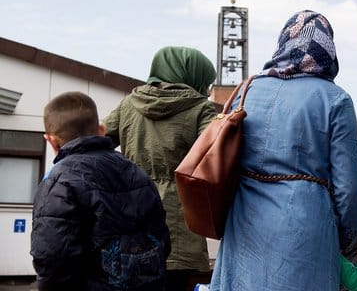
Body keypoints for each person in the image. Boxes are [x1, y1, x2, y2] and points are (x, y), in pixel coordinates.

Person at [209, 10, 357, 290]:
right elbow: (350, 189)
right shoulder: (336, 99)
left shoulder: (248, 90)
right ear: (327, 50)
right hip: (306, 225)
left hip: (243, 222)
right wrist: (345, 238)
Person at [103, 46, 217, 291]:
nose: (207, 91)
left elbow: (96, 140)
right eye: (206, 83)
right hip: (180, 225)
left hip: (131, 218)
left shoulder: (128, 105)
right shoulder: (200, 109)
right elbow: (213, 156)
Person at [31, 91, 170, 290]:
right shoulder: (136, 172)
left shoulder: (58, 181)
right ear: (102, 130)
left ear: (51, 140)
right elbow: (161, 239)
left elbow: (51, 257)